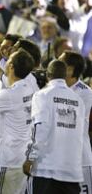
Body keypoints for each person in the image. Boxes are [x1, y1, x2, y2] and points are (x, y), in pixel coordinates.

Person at [23, 60, 84, 194]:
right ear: (64, 76)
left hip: (47, 169)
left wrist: (30, 157)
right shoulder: (78, 100)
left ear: (47, 75)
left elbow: (40, 128)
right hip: (71, 170)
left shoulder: (42, 95)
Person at [0, 49, 36, 194]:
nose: (5, 62)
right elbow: (1, 75)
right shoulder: (28, 87)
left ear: (11, 66)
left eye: (8, 59)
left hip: (9, 160)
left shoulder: (9, 94)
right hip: (23, 158)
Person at [59, 51, 92, 193]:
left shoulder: (84, 92)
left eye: (59, 62)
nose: (54, 65)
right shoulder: (53, 89)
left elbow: (70, 120)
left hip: (80, 159)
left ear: (70, 70)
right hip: (59, 159)